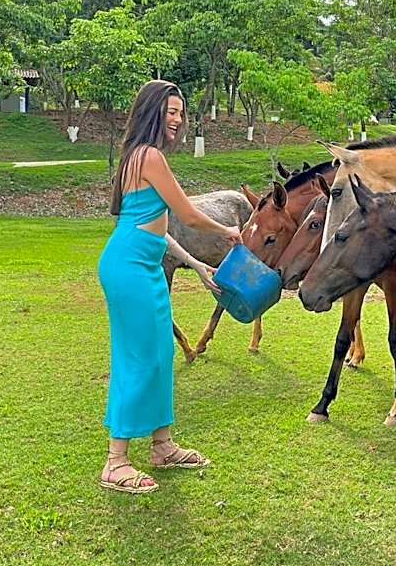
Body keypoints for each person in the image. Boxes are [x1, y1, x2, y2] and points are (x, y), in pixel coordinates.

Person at [97, 80, 242, 494]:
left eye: (181, 112)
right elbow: (188, 214)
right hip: (128, 266)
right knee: (137, 358)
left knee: (159, 353)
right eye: (171, 111)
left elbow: (159, 227)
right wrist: (227, 231)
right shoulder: (149, 156)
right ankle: (115, 461)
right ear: (151, 113)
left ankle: (162, 446)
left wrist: (196, 263)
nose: (177, 119)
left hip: (142, 261)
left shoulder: (136, 157)